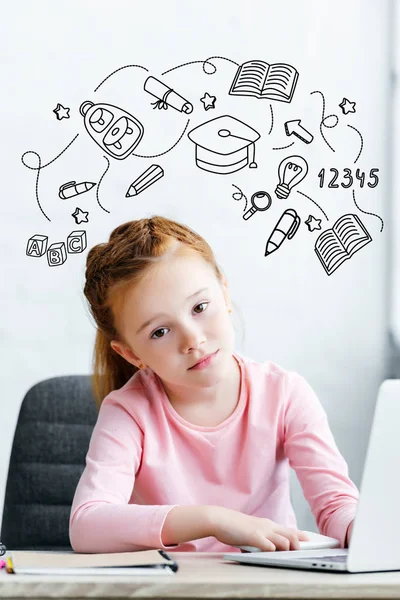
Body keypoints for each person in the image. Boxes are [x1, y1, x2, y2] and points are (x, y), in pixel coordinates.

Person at [69, 215, 359, 554]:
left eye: (199, 307)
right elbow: (86, 526)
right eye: (160, 332)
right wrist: (213, 520)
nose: (193, 340)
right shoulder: (128, 412)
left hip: (271, 587)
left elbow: (336, 505)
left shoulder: (284, 394)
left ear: (224, 292)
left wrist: (361, 528)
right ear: (132, 354)